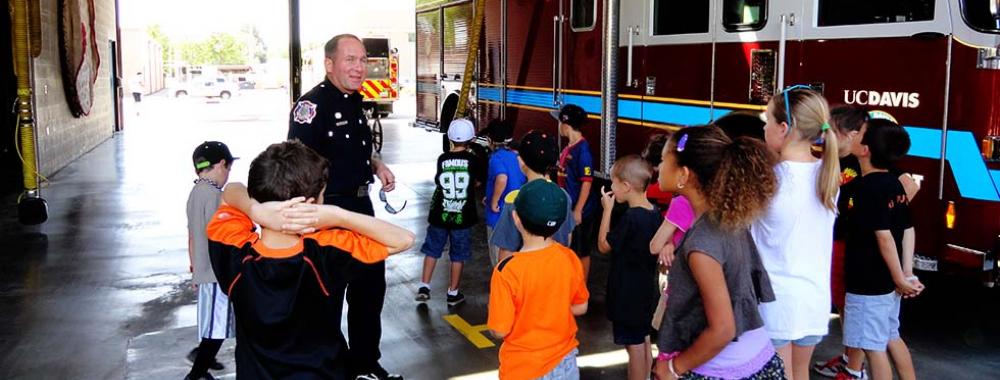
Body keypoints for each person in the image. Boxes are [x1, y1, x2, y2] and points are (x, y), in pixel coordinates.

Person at [208, 140, 415, 379]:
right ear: (311, 205)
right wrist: (337, 215)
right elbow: (403, 239)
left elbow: (231, 190)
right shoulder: (326, 251)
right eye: (323, 197)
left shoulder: (234, 253)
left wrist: (255, 210)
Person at [287, 33, 401, 380]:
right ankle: (331, 367)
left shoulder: (355, 102)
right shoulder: (312, 107)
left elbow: (353, 150)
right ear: (329, 64)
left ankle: (365, 364)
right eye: (350, 60)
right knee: (329, 294)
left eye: (363, 60)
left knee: (369, 289)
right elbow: (297, 168)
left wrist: (376, 164)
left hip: (361, 209)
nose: (359, 67)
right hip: (329, 214)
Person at [653, 126, 785, 380]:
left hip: (723, 369)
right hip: (757, 357)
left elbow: (723, 329)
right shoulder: (729, 221)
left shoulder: (702, 245)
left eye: (662, 160)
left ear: (683, 175)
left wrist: (673, 367)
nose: (658, 167)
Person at [813, 107, 921, 380]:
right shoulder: (890, 185)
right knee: (889, 336)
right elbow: (907, 228)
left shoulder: (867, 188)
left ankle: (852, 370)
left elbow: (884, 237)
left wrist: (900, 277)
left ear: (864, 149)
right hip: (885, 282)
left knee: (873, 348)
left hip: (868, 284)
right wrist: (905, 274)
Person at [752, 86, 840, 380]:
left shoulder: (770, 181)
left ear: (784, 127)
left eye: (767, 120)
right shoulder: (827, 176)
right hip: (812, 301)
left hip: (775, 304)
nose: (763, 127)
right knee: (799, 372)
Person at [488, 180, 590, 380]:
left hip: (523, 367)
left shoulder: (507, 270)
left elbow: (499, 330)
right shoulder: (569, 258)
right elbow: (581, 306)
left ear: (516, 218)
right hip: (565, 362)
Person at [596, 155, 661, 380]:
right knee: (643, 340)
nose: (611, 187)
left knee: (633, 347)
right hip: (645, 290)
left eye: (613, 182)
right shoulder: (655, 213)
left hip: (626, 293)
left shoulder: (631, 218)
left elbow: (604, 245)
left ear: (626, 186)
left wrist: (606, 210)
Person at [415, 119, 482, 305]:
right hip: (462, 217)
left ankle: (424, 285)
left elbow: (439, 180)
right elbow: (476, 182)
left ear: (450, 138)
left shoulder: (442, 159)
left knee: (432, 249)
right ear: (471, 139)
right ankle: (453, 293)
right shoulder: (473, 160)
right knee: (458, 255)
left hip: (439, 215)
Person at [184, 141, 236, 380]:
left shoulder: (196, 192)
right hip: (216, 273)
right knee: (217, 327)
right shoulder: (215, 195)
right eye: (228, 169)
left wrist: (194, 266)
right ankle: (196, 373)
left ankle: (202, 363)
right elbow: (222, 236)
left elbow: (192, 235)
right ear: (222, 165)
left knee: (216, 324)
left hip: (204, 270)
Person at [490, 130, 576, 263]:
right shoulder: (564, 196)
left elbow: (505, 254)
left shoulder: (515, 200)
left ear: (522, 162)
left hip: (525, 277)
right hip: (556, 271)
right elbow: (568, 238)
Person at [552, 104, 598, 281]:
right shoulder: (569, 147)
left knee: (581, 250)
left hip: (581, 211)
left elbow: (587, 181)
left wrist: (578, 210)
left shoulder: (583, 150)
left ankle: (581, 288)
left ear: (565, 124)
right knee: (570, 247)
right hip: (568, 207)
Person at [483, 119, 527, 266]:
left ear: (490, 140)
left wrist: (494, 201)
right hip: (517, 214)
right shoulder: (518, 157)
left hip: (498, 218)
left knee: (499, 262)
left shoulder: (496, 158)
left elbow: (502, 178)